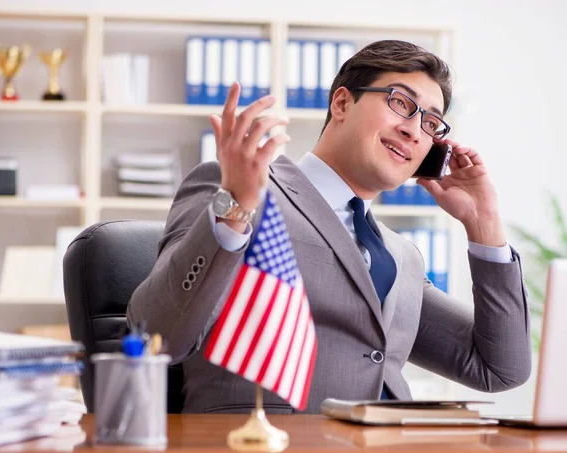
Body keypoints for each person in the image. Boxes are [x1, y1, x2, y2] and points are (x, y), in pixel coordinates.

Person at [127, 40, 531, 414]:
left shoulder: (401, 257)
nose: (413, 129)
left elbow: (500, 368)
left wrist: (485, 225)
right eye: (401, 103)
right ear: (341, 103)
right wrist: (234, 206)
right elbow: (157, 334)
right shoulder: (243, 188)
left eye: (431, 124)